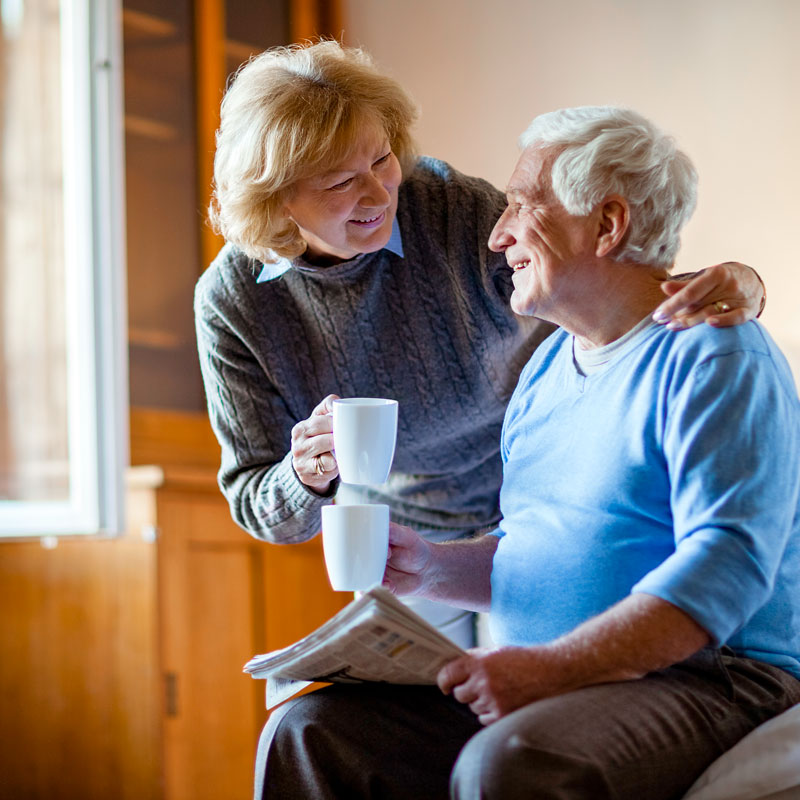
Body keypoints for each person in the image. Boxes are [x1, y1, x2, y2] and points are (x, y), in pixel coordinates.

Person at [254, 106, 800, 800]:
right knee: (311, 728)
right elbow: (536, 547)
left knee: (514, 761)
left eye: (522, 206)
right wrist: (430, 566)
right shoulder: (545, 370)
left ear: (608, 224)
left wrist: (550, 671)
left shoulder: (717, 353)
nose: (498, 234)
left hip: (708, 677)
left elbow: (727, 566)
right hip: (555, 674)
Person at [194, 41, 765, 646]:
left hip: (537, 511)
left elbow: (587, 277)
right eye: (340, 182)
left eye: (383, 160)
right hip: (403, 542)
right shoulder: (234, 303)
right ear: (276, 198)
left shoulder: (444, 206)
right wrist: (305, 475)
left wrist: (736, 283)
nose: (380, 194)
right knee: (401, 717)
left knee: (520, 700)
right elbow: (259, 504)